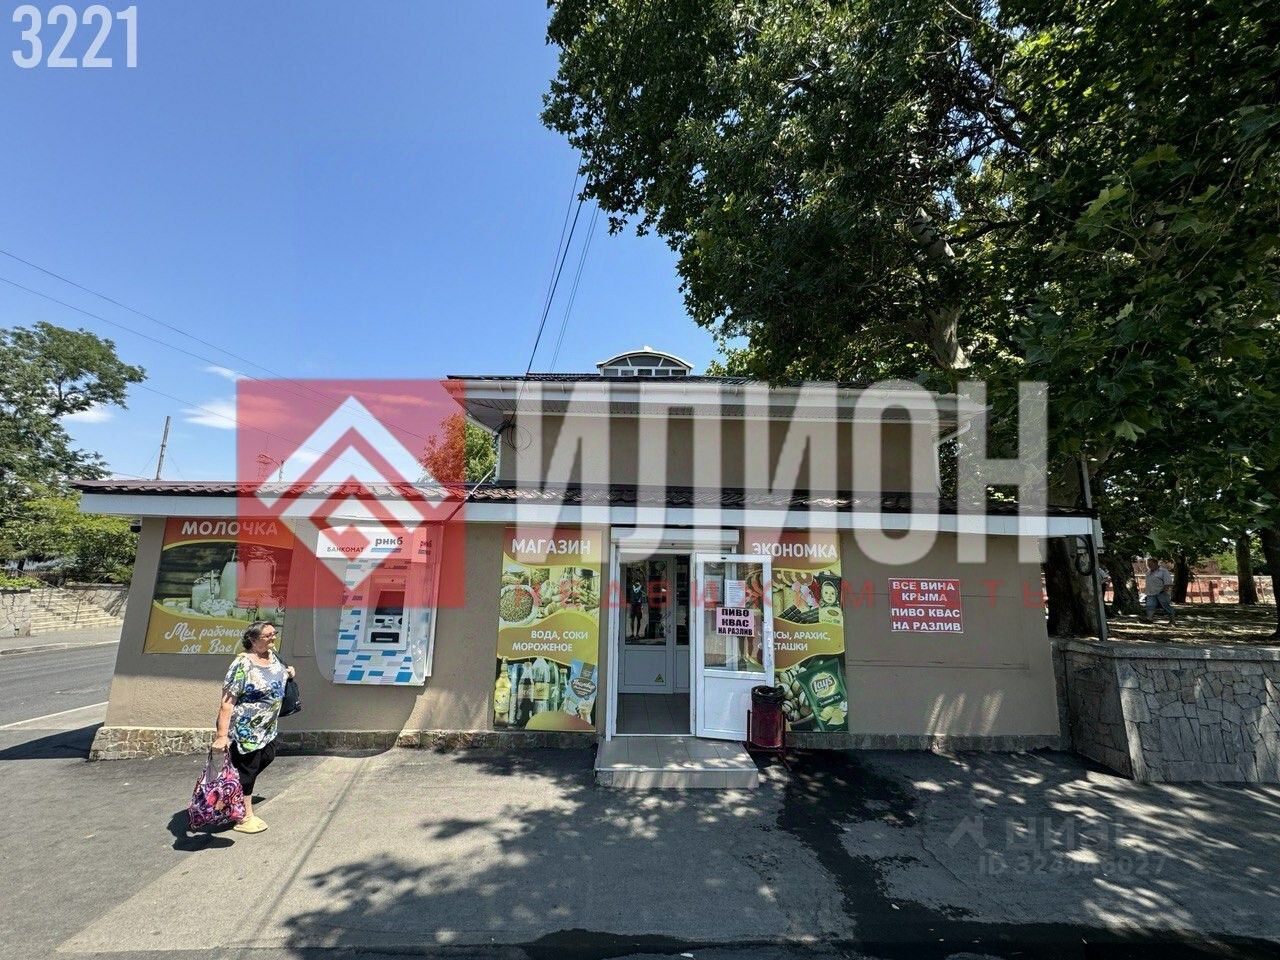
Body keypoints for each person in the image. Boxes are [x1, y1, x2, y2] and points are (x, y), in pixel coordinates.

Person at [212, 620, 294, 834]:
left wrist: (289, 673)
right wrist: (222, 736)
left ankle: (231, 794)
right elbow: (227, 702)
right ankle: (244, 816)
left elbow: (276, 675)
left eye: (274, 633)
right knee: (247, 771)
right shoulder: (242, 664)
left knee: (268, 756)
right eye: (268, 635)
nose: (273, 637)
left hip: (267, 727)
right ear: (253, 639)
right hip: (246, 729)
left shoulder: (273, 656)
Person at [1142, 557, 1176, 624]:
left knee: (1166, 606)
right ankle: (1149, 619)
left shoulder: (1163, 571)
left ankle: (1172, 619)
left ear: (1156, 563)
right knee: (1150, 606)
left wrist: (1164, 591)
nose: (1149, 566)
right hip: (1150, 593)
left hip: (1161, 592)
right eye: (1148, 564)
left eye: (1150, 564)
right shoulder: (1148, 573)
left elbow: (1168, 582)